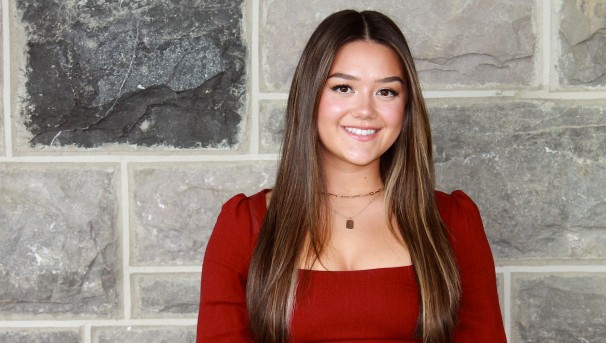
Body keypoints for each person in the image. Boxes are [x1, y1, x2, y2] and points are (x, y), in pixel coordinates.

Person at [196, 9, 506, 343]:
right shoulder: (245, 225)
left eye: (386, 92)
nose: (365, 111)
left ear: (406, 107)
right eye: (343, 88)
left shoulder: (455, 223)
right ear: (310, 97)